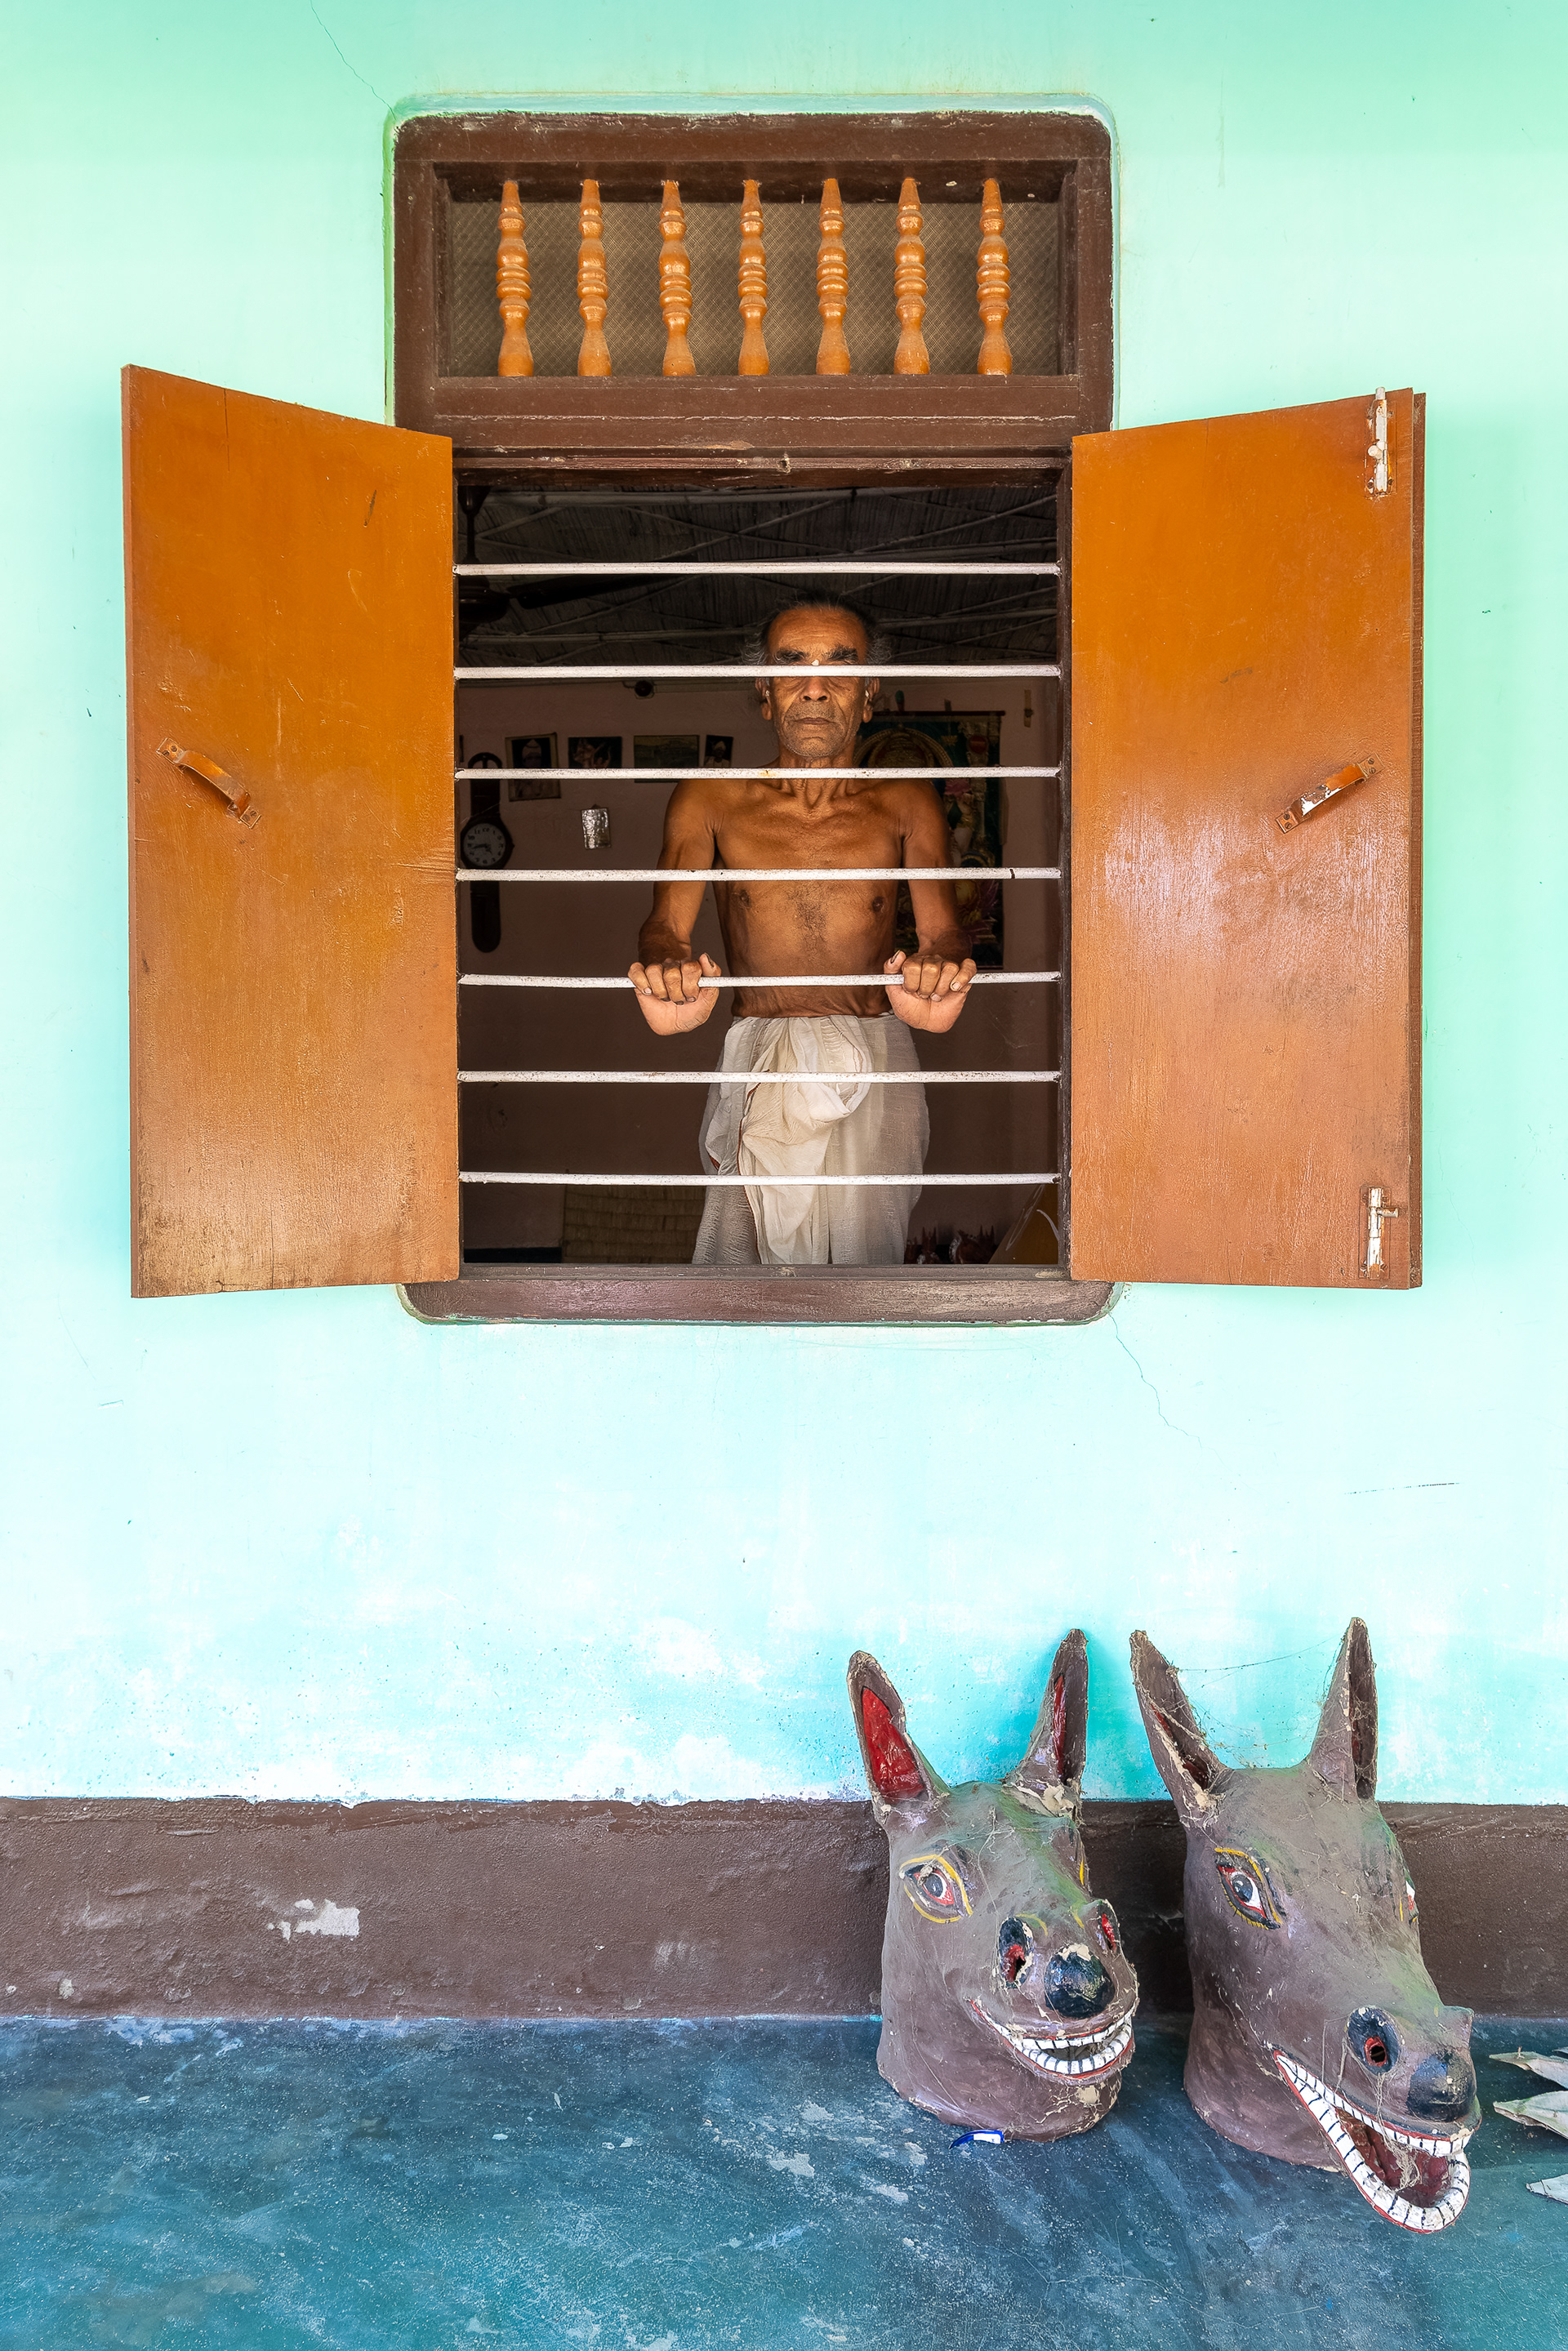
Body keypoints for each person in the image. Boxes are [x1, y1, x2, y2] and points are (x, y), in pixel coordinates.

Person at [628, 595, 977, 1266]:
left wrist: (940, 975)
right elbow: (664, 928)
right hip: (762, 1059)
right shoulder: (709, 800)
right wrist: (666, 972)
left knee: (864, 1275)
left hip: (874, 1058)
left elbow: (943, 935)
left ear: (869, 692)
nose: (815, 686)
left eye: (839, 666)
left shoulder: (905, 802)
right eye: (793, 664)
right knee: (748, 1274)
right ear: (764, 690)